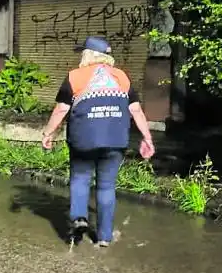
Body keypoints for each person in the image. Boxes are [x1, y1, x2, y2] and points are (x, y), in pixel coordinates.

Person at [40, 36, 155, 247]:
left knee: (80, 178)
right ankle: (104, 237)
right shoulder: (122, 77)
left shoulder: (75, 76)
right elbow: (136, 110)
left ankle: (79, 218)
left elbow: (62, 109)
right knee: (107, 187)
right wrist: (147, 138)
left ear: (88, 55)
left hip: (83, 139)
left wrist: (48, 133)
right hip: (116, 140)